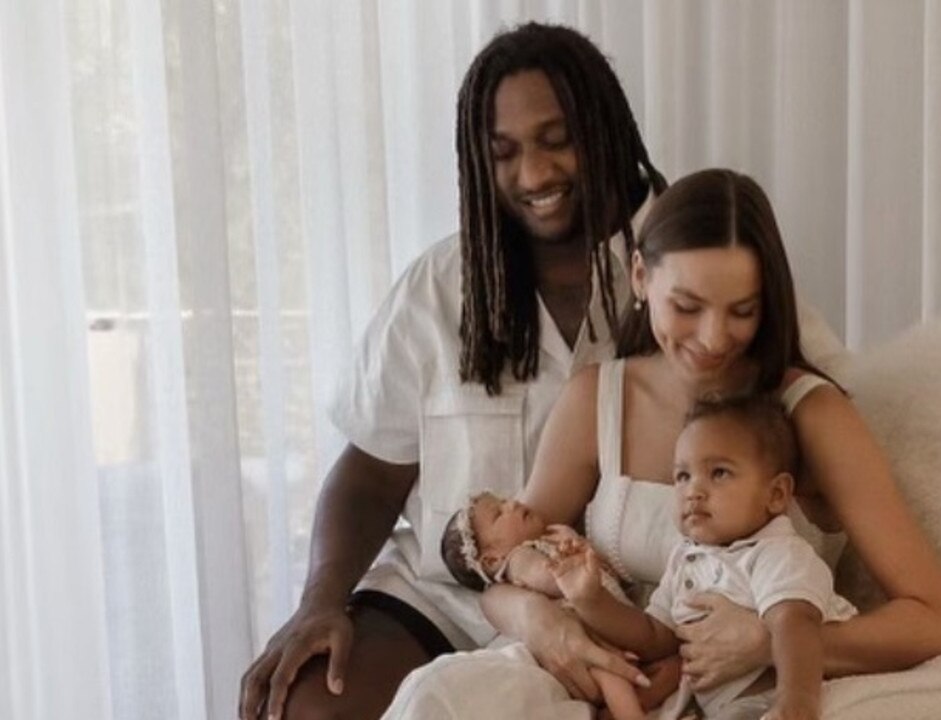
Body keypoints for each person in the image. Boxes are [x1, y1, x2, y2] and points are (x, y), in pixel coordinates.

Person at [237, 22, 852, 720]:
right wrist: (318, 603)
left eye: (557, 140)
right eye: (503, 153)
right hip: (449, 597)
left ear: (608, 129)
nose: (533, 175)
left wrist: (778, 608)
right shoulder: (439, 286)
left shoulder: (696, 260)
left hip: (627, 609)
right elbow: (371, 473)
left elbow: (809, 406)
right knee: (312, 706)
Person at [376, 169, 941, 720]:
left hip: (754, 692)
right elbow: (507, 564)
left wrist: (770, 641)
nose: (714, 338)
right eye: (687, 306)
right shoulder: (598, 399)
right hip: (607, 679)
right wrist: (537, 620)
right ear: (640, 277)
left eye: (742, 311)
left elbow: (937, 619)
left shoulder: (810, 416)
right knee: (438, 697)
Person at [550, 393, 857, 720]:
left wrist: (797, 705)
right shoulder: (687, 558)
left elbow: (796, 628)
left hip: (776, 697)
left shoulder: (778, 553)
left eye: (719, 473)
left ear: (776, 494)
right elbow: (656, 637)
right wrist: (591, 600)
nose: (693, 490)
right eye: (682, 476)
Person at [439, 491, 681, 719]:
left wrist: (581, 549)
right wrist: (568, 562)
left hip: (611, 623)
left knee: (644, 673)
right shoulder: (520, 557)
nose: (511, 504)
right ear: (492, 559)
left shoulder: (549, 541)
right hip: (584, 634)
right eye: (499, 513)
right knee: (613, 678)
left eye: (504, 500)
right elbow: (551, 578)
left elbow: (608, 578)